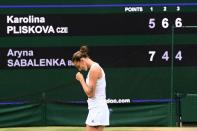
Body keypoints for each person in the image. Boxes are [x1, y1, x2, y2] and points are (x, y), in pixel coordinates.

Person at [72, 46, 109, 131]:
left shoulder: (94, 69)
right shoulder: (94, 68)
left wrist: (81, 80)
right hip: (96, 109)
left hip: (97, 109)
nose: (79, 69)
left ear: (82, 60)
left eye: (78, 66)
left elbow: (90, 94)